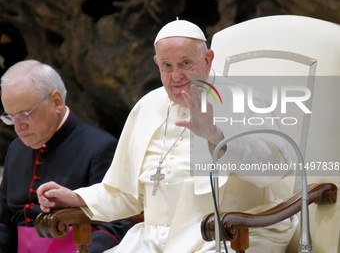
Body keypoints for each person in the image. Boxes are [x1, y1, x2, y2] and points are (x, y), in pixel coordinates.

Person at [37, 20, 297, 252]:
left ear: (207, 59)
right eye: (167, 66)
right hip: (153, 239)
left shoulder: (244, 100)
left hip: (227, 235)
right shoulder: (146, 107)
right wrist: (78, 197)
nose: (176, 76)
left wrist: (218, 137)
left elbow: (275, 169)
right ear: (156, 64)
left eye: (186, 63)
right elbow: (125, 193)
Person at [0, 60, 131, 253]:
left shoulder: (100, 147)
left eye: (25, 115)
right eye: (11, 117)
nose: (18, 128)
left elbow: (114, 226)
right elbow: (3, 220)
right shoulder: (16, 149)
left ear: (56, 101)